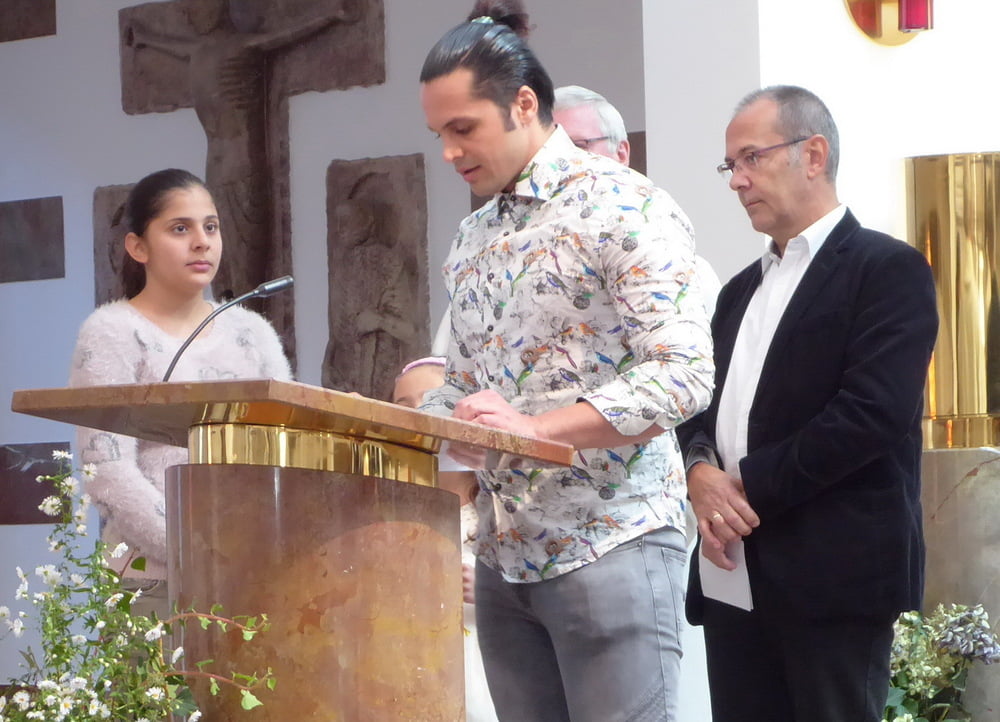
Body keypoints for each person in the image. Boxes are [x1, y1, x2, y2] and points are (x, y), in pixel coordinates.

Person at [417, 2, 714, 720]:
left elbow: (683, 374)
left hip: (612, 541)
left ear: (523, 105)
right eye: (439, 135)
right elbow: (463, 384)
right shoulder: (472, 237)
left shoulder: (625, 206)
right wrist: (426, 422)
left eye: (464, 129)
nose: (450, 152)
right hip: (503, 559)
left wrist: (533, 429)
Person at [676, 85, 938, 722]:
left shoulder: (886, 269)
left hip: (833, 575)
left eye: (751, 158)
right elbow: (700, 405)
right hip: (735, 573)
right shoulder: (739, 290)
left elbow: (871, 415)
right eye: (729, 165)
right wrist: (699, 472)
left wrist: (740, 489)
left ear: (813, 154)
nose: (736, 180)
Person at [68, 168, 292, 617]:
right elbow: (107, 470)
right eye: (180, 229)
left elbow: (287, 443)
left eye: (211, 227)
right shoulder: (112, 332)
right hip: (152, 579)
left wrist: (258, 545)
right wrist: (199, 548)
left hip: (255, 570)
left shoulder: (251, 331)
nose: (202, 242)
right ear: (138, 247)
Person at [552, 85, 723, 320]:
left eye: (578, 147)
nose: (561, 163)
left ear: (621, 153)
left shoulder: (671, 253)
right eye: (550, 152)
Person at [392, 357, 498, 722]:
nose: (420, 415)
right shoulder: (392, 502)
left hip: (483, 655)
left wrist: (487, 588)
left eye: (431, 401)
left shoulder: (500, 502)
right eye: (404, 406)